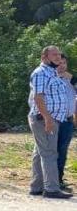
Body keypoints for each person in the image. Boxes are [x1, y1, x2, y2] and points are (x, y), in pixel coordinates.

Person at [28, 46, 72, 199]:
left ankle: (36, 187)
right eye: (54, 54)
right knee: (50, 153)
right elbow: (38, 97)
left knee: (40, 152)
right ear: (44, 57)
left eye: (59, 54)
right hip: (44, 119)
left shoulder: (52, 73)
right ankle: (52, 189)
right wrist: (47, 118)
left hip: (52, 118)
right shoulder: (40, 73)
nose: (58, 57)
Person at [56, 55, 76, 190]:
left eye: (64, 63)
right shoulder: (51, 79)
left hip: (68, 121)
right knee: (51, 151)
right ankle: (49, 180)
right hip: (54, 120)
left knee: (62, 151)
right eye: (59, 63)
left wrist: (73, 79)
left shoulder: (71, 81)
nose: (62, 66)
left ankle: (59, 179)